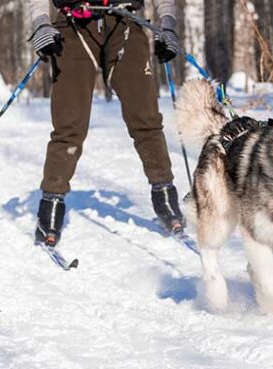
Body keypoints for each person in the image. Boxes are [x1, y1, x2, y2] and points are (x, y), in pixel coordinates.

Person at [27, 0, 185, 246]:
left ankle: (165, 195)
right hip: (72, 25)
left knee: (145, 116)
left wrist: (168, 25)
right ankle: (50, 206)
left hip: (123, 22)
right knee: (70, 124)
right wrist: (41, 25)